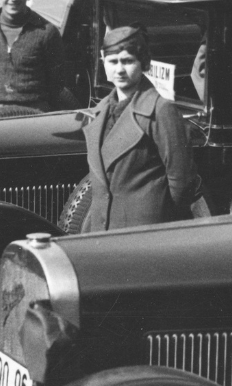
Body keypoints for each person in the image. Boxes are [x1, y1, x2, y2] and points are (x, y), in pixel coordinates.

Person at [81, 25, 203, 233]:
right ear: (104, 63)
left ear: (144, 63)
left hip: (143, 230)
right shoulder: (100, 112)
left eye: (128, 61)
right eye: (112, 62)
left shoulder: (160, 110)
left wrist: (158, 215)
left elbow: (181, 182)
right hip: (102, 228)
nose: (119, 69)